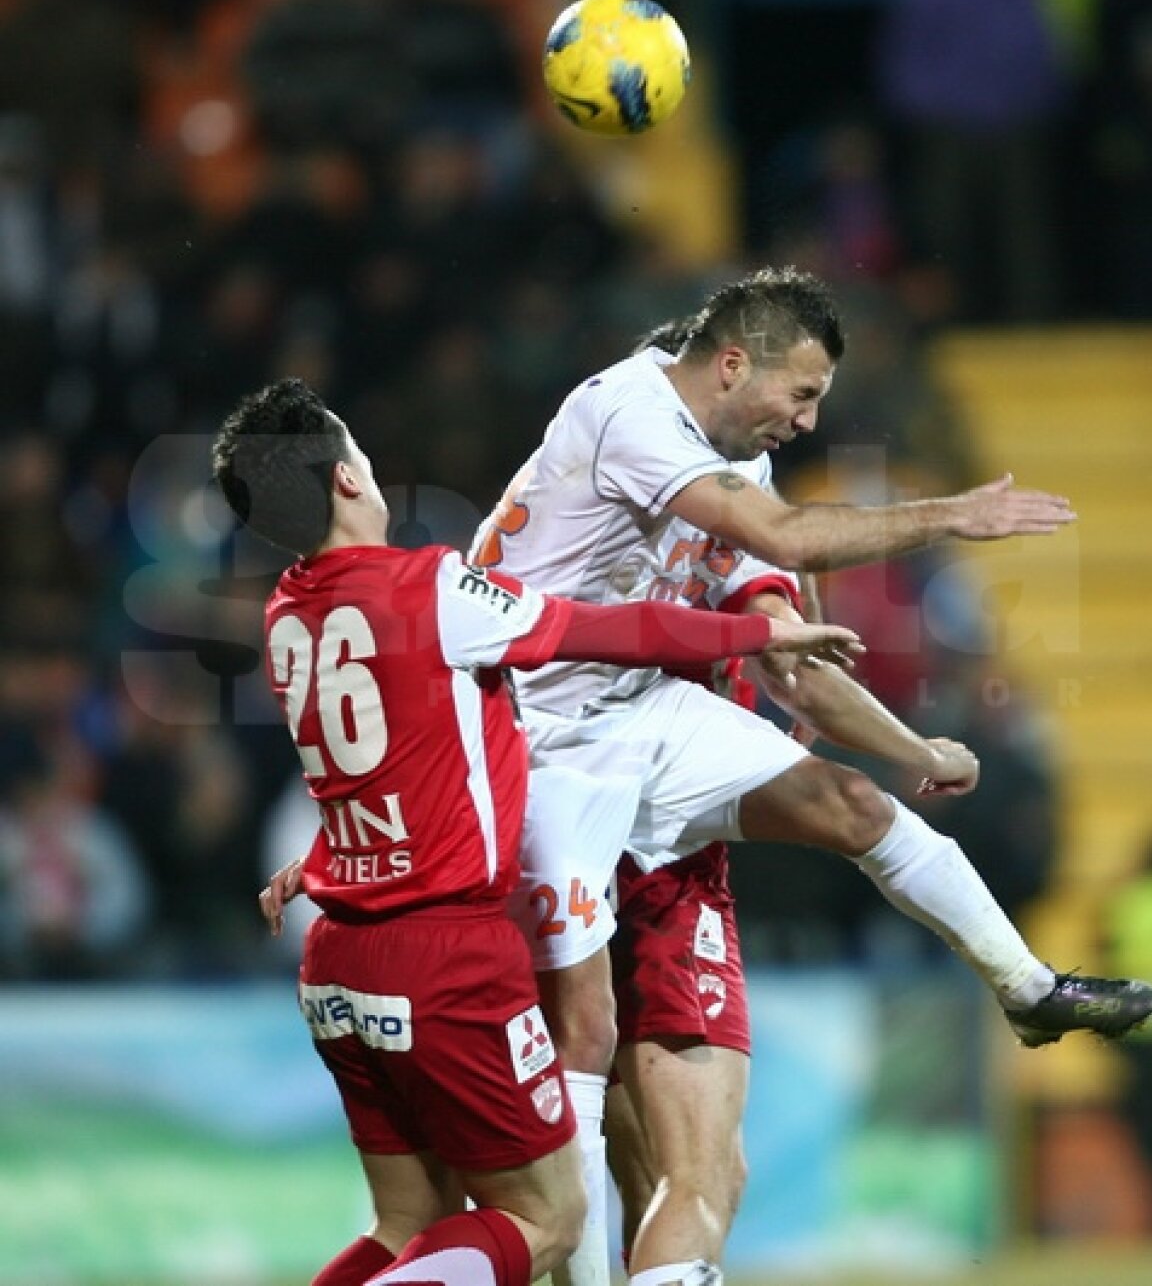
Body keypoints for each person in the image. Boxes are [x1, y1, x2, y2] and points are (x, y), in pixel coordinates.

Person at [471, 267, 1152, 1286]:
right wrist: (956, 513)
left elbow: (791, 658)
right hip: (533, 739)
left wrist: (916, 754)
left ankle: (1029, 987)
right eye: (799, 397)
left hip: (643, 714)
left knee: (850, 802)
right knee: (593, 1062)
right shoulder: (630, 412)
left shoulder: (739, 473)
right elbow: (789, 542)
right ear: (733, 364)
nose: (805, 423)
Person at [214, 375, 864, 1286]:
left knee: (405, 1226)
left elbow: (379, 770)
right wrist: (749, 640)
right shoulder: (433, 586)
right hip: (443, 953)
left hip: (337, 955)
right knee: (546, 1218)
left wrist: (326, 857)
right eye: (356, 447)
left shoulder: (287, 612)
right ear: (348, 481)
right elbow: (605, 628)